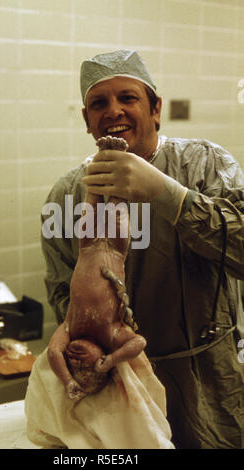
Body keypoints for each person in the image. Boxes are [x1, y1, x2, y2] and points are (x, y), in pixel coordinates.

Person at [40, 50, 244, 449]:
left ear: (155, 109)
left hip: (208, 380)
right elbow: (62, 289)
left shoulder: (207, 164)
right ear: (87, 120)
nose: (113, 110)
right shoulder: (66, 195)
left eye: (128, 98)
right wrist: (80, 344)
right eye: (99, 103)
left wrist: (173, 197)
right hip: (117, 384)